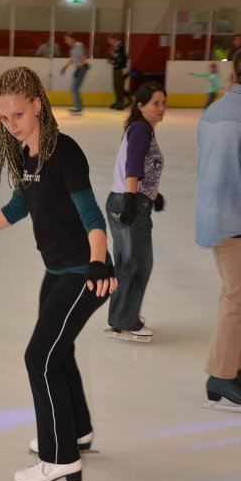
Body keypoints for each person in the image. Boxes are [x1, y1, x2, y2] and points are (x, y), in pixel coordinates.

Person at [0, 66, 116, 481]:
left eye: (17, 114)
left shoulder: (64, 153)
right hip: (56, 272)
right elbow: (18, 208)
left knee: (40, 358)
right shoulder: (27, 156)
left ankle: (60, 459)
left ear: (37, 105)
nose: (11, 124)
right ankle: (77, 431)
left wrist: (98, 263)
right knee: (59, 351)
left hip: (84, 273)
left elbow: (92, 216)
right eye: (3, 118)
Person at [195, 46, 241, 412]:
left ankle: (232, 368)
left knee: (235, 297)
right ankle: (220, 377)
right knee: (237, 302)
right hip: (240, 222)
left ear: (234, 74)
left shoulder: (214, 111)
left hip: (214, 218)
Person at [105, 82, 166, 343]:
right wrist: (132, 199)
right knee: (138, 263)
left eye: (163, 103)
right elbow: (132, 167)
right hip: (128, 202)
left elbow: (136, 166)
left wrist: (153, 194)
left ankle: (121, 318)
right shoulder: (141, 128)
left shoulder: (138, 128)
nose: (161, 108)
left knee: (128, 263)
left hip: (124, 199)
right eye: (155, 103)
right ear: (140, 106)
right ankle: (127, 322)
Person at [60, 33, 89, 115]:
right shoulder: (72, 47)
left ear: (72, 38)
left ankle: (78, 108)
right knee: (74, 88)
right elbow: (72, 58)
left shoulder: (78, 45)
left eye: (67, 39)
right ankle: (78, 107)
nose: (66, 41)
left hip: (81, 68)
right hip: (79, 68)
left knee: (74, 88)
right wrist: (65, 67)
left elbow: (82, 57)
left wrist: (80, 68)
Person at [107, 33, 131, 110]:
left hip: (120, 69)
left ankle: (121, 103)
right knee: (116, 86)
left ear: (114, 39)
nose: (110, 42)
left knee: (119, 86)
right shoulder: (115, 47)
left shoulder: (120, 46)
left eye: (110, 41)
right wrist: (112, 56)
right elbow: (116, 58)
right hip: (116, 68)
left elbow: (122, 58)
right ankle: (118, 101)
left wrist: (123, 68)